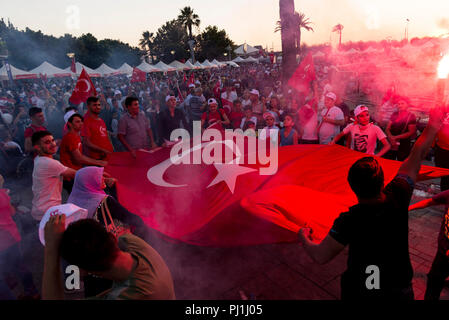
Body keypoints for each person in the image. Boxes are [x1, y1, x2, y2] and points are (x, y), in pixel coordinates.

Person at [298, 106, 444, 299]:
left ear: (353, 187)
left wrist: (303, 236)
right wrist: (433, 124)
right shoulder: (398, 193)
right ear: (383, 181)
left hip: (360, 290)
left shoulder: (349, 219)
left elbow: (320, 255)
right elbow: (417, 153)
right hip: (398, 287)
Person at [42, 217, 176, 300]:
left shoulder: (128, 294)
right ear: (112, 238)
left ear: (84, 271)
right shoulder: (136, 245)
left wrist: (51, 250)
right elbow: (121, 232)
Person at [67, 166, 145, 236]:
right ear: (91, 182)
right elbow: (130, 218)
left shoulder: (72, 201)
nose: (103, 178)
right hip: (108, 241)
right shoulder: (104, 201)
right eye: (98, 177)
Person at [409, 190, 449, 300]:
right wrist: (409, 208)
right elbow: (429, 202)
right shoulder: (448, 194)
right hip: (443, 252)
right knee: (434, 282)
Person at [0, 188, 39, 300]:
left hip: (3, 240)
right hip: (11, 235)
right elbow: (12, 211)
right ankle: (32, 292)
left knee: (12, 266)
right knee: (19, 265)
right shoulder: (2, 193)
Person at [31, 131, 76, 222]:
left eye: (52, 140)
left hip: (40, 209)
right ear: (37, 147)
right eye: (47, 142)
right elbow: (78, 174)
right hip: (48, 213)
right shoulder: (49, 163)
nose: (52, 144)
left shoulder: (38, 159)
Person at [60, 113, 107, 193]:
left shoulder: (76, 136)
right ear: (70, 124)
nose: (81, 124)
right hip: (70, 177)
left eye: (82, 121)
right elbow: (78, 158)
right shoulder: (70, 137)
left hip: (76, 174)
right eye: (77, 122)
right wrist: (99, 162)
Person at [81, 97, 114, 161]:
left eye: (99, 105)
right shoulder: (86, 121)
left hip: (108, 156)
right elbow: (86, 142)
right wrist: (103, 150)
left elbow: (105, 136)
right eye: (94, 105)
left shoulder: (101, 120)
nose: (98, 107)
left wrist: (111, 147)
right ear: (88, 107)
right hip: (96, 159)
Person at [385, 97, 417, 161]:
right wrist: (391, 137)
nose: (400, 105)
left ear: (407, 105)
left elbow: (411, 131)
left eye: (402, 103)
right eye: (398, 104)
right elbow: (387, 128)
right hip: (392, 142)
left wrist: (395, 137)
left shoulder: (411, 116)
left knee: (402, 162)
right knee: (389, 160)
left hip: (404, 143)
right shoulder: (394, 114)